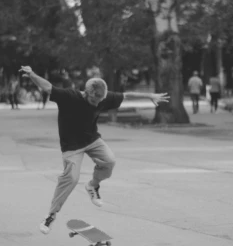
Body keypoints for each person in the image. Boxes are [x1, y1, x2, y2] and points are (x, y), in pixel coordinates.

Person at [19, 65, 170, 234]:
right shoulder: (69, 97)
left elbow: (126, 95)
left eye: (100, 101)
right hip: (71, 146)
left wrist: (150, 95)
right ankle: (51, 215)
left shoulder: (102, 98)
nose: (97, 104)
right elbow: (47, 86)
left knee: (109, 161)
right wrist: (32, 74)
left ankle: (93, 186)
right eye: (94, 101)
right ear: (87, 93)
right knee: (71, 178)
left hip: (92, 139)